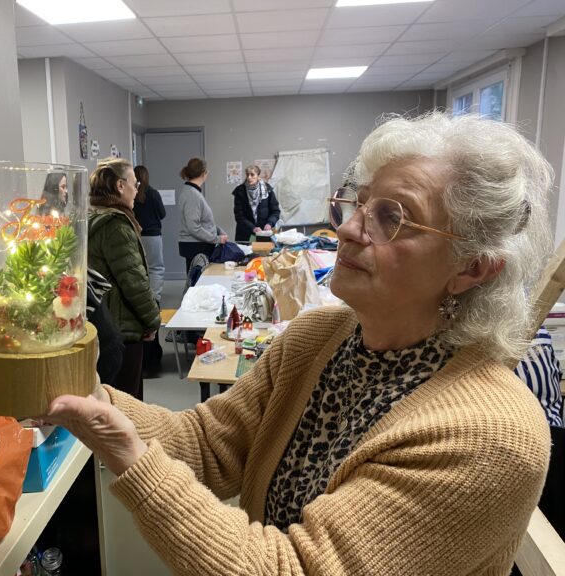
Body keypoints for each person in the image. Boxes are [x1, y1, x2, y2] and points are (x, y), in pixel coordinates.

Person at [43, 112, 553, 575]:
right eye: (359, 203)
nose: (349, 229)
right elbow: (206, 444)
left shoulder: (489, 437)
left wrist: (133, 458)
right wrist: (93, 400)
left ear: (472, 267)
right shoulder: (319, 339)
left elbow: (294, 569)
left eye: (391, 217)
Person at [87, 157, 160, 400]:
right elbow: (134, 283)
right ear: (120, 186)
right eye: (134, 183)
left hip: (106, 325)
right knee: (127, 404)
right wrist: (152, 321)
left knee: (110, 400)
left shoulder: (95, 215)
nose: (137, 189)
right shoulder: (116, 226)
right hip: (123, 330)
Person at [177, 157, 227, 272]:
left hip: (197, 246)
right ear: (204, 173)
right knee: (197, 284)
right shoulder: (192, 195)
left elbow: (203, 221)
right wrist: (216, 238)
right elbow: (194, 227)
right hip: (196, 247)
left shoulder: (192, 191)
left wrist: (217, 230)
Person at [132, 165, 166, 304]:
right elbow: (162, 214)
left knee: (139, 268)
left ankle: (141, 298)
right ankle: (154, 299)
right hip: (152, 236)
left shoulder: (131, 194)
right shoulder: (153, 193)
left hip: (136, 235)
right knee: (156, 268)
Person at [232, 164, 281, 242]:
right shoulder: (240, 191)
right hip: (245, 234)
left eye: (252, 175)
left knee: (264, 253)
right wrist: (253, 228)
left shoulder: (267, 189)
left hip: (264, 233)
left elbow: (275, 211)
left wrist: (269, 223)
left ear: (258, 176)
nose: (249, 177)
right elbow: (239, 216)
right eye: (247, 175)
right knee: (247, 253)